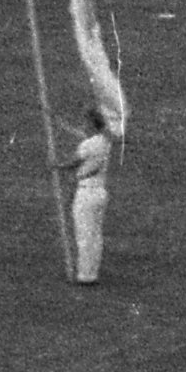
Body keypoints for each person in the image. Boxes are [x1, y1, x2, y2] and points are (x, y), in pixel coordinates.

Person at [66, 106, 115, 286]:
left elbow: (74, 162)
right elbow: (89, 142)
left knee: (84, 235)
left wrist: (55, 165)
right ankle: (92, 271)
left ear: (91, 124)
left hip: (86, 193)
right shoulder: (105, 142)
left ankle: (85, 276)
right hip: (100, 192)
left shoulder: (87, 145)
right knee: (95, 235)